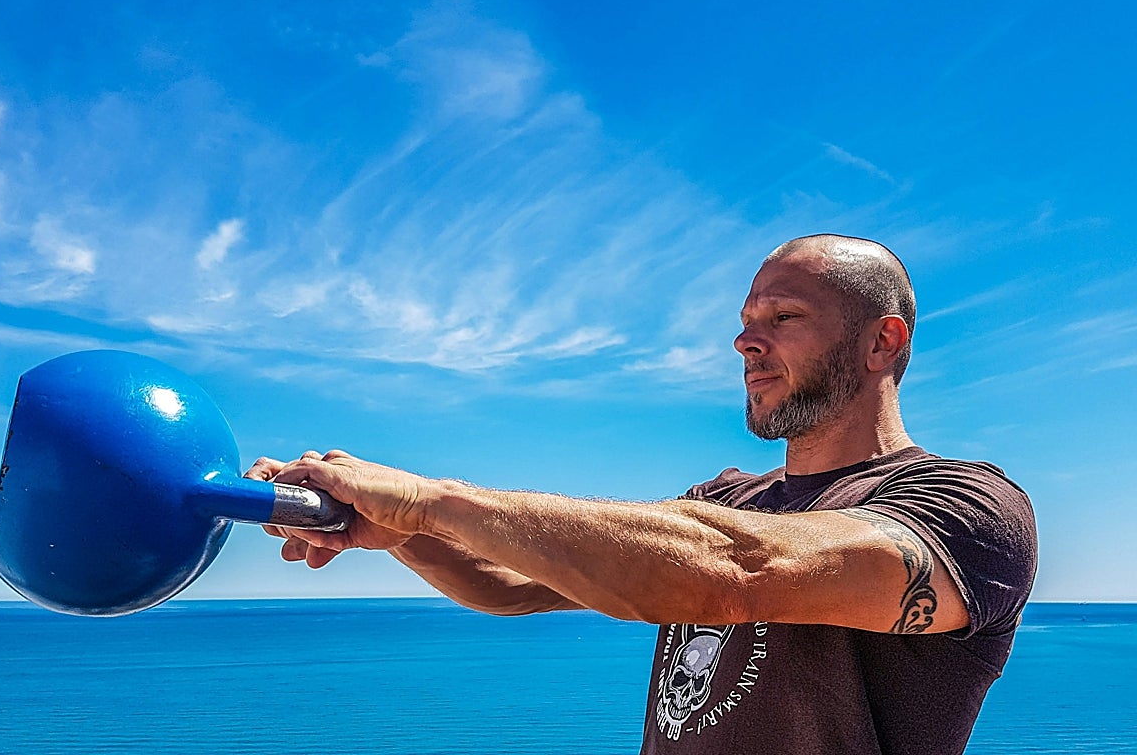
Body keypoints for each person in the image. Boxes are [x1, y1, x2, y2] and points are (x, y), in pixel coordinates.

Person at [245, 234, 1038, 755]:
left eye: (783, 317)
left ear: (882, 340)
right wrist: (396, 530)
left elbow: (733, 573)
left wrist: (427, 501)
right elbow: (519, 583)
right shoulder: (729, 498)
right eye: (744, 321)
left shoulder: (963, 509)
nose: (744, 342)